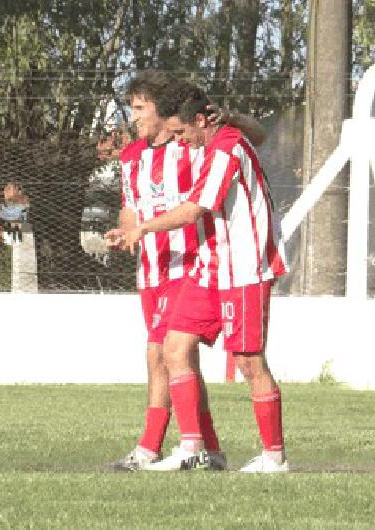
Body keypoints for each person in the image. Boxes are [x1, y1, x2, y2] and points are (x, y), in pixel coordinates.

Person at [106, 80, 289, 473]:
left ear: (200, 121)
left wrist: (142, 229)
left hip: (241, 267)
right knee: (172, 349)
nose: (180, 140)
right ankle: (193, 448)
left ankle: (274, 456)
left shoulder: (225, 147)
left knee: (248, 361)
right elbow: (134, 205)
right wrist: (131, 229)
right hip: (210, 265)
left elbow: (193, 210)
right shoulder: (189, 146)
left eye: (182, 132)